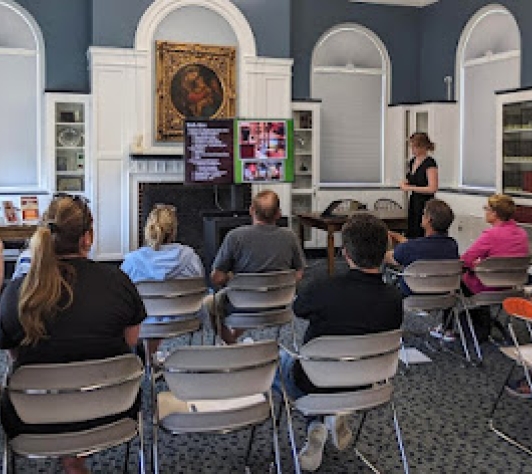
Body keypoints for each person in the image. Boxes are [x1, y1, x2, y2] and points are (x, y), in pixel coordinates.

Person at [0, 195, 146, 474]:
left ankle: (70, 458)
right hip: (113, 411)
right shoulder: (119, 282)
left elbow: (15, 358)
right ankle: (74, 460)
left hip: (32, 418)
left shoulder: (16, 293)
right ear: (87, 237)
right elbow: (130, 343)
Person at [275, 214, 403, 472]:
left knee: (276, 357)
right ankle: (333, 415)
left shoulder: (323, 288)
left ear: (346, 254)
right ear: (385, 252)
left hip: (312, 379)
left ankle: (316, 422)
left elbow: (298, 310)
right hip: (365, 382)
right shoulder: (394, 297)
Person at [208, 189, 305, 344]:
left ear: (252, 210)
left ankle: (231, 342)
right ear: (278, 214)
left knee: (211, 303)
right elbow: (299, 274)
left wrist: (232, 279)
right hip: (280, 308)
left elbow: (216, 277)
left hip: (241, 308)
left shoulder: (235, 237)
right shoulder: (290, 237)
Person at [121, 204, 205, 355]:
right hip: (185, 321)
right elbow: (201, 286)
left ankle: (148, 361)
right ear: (173, 230)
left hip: (144, 324)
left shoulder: (131, 262)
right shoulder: (190, 256)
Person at [461, 194, 529, 353]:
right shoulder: (522, 234)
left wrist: (479, 265)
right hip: (511, 289)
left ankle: (447, 329)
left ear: (495, 213)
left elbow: (466, 259)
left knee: (455, 280)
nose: (485, 211)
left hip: (486, 289)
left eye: (487, 209)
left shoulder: (491, 235)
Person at [385, 198, 459, 340]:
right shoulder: (452, 245)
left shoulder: (411, 248)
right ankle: (446, 329)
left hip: (411, 295)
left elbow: (389, 258)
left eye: (423, 214)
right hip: (445, 296)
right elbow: (426, 247)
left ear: (429, 220)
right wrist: (402, 240)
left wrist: (387, 244)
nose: (421, 216)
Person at [121, 204, 204, 283]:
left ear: (148, 230)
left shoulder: (131, 263)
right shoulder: (191, 258)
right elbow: (201, 288)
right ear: (173, 231)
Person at [401, 132, 438, 238]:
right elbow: (411, 180)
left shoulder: (430, 163)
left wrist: (409, 188)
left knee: (421, 230)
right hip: (414, 201)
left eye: (415, 146)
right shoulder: (412, 161)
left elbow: (432, 188)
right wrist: (405, 182)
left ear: (423, 147)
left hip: (425, 202)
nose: (412, 149)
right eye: (411, 146)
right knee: (412, 228)